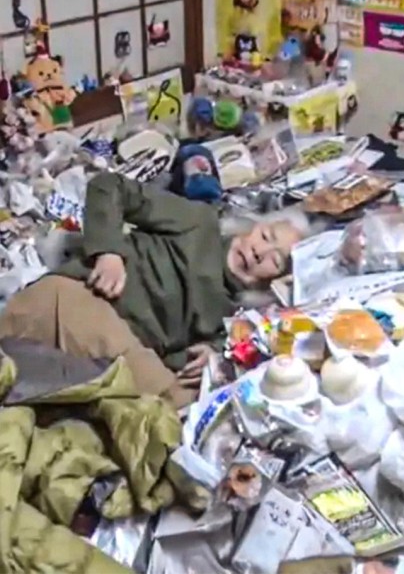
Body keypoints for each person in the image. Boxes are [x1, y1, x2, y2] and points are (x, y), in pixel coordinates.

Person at [0, 172, 308, 407]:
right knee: (167, 405)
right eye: (266, 237)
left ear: (275, 281)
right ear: (255, 226)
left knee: (191, 405)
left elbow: (174, 363)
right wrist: (109, 252)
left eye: (274, 260)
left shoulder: (236, 318)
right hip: (80, 301)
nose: (259, 253)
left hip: (119, 356)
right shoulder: (200, 223)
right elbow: (109, 185)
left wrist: (211, 358)